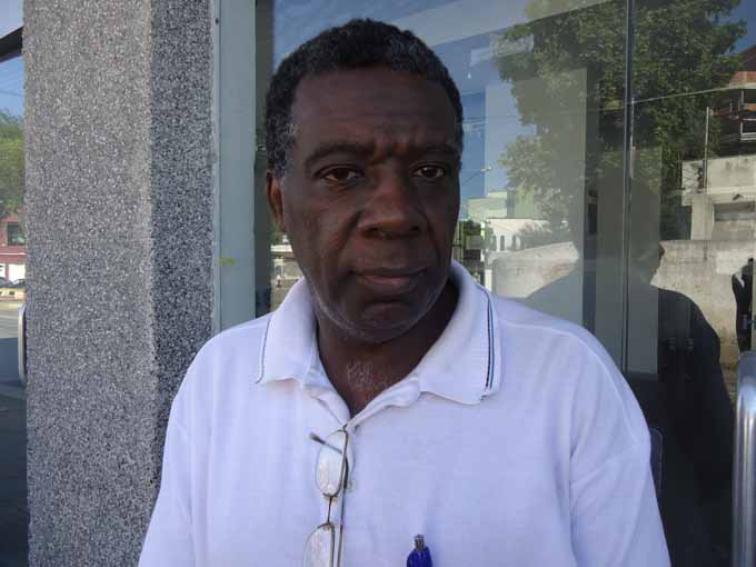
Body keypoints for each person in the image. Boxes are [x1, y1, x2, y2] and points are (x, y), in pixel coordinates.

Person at [139, 19, 669, 566]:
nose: (396, 214)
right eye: (342, 174)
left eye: (430, 170)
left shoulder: (568, 383)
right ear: (278, 202)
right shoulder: (220, 380)